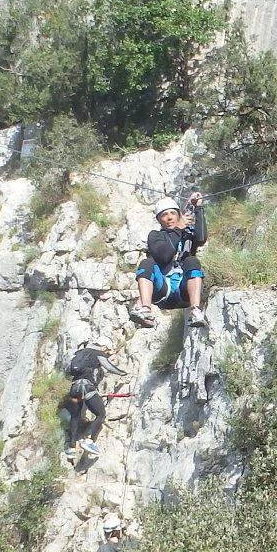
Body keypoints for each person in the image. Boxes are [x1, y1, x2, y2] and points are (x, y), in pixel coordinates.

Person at [132, 191, 207, 328]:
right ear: (159, 220)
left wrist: (198, 208)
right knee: (147, 263)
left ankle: (195, 310)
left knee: (192, 261)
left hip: (182, 289)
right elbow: (164, 254)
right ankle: (146, 310)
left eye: (173, 213)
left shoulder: (187, 233)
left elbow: (201, 238)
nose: (169, 218)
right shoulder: (155, 236)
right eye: (164, 215)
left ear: (179, 215)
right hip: (163, 289)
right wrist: (178, 230)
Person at [60, 343, 127, 459]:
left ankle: (71, 449)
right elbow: (109, 367)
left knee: (75, 417)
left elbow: (67, 369)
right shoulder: (98, 353)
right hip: (87, 387)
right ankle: (88, 441)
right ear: (103, 346)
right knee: (100, 414)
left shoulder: (79, 353)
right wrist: (122, 373)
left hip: (74, 387)